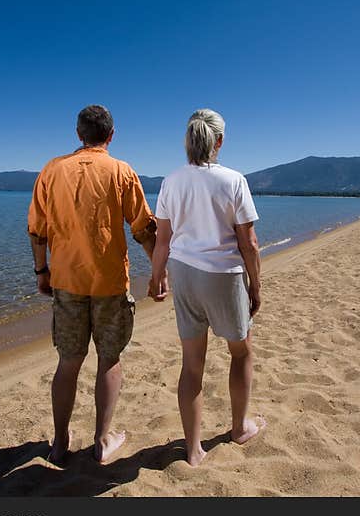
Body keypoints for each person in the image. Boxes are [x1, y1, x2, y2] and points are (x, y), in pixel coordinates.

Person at [27, 104, 156, 464]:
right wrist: (161, 272)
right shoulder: (121, 171)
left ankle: (58, 442)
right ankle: (101, 440)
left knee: (68, 362)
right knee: (109, 359)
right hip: (110, 284)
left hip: (66, 281)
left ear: (78, 134)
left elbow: (37, 230)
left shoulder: (52, 171)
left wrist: (42, 272)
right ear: (111, 136)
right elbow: (144, 229)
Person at [149, 108, 265, 467]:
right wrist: (256, 285)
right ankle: (239, 427)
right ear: (219, 141)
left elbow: (163, 240)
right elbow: (249, 243)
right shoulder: (233, 180)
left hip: (184, 274)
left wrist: (156, 277)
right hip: (223, 275)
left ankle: (194, 449)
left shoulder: (171, 181)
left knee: (192, 364)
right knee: (241, 352)